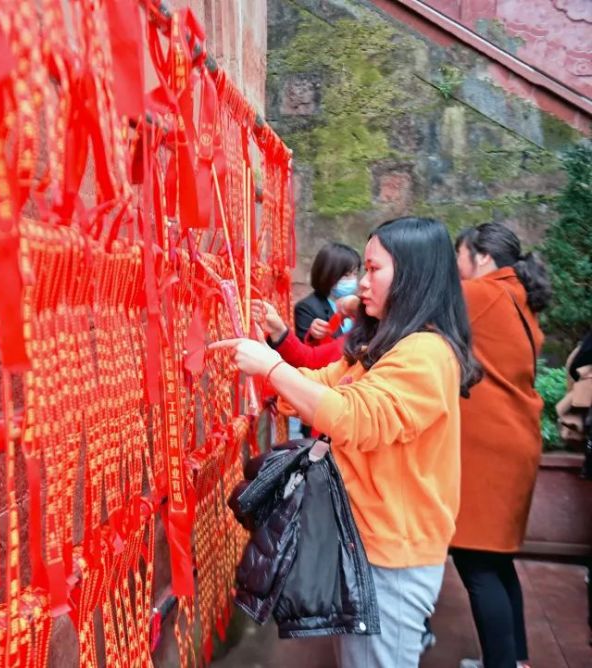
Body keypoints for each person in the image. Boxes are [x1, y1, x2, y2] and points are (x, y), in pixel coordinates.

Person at [212, 217, 481, 667]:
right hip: (367, 543)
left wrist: (271, 370)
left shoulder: (425, 353)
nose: (361, 283)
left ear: (412, 275)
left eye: (373, 270)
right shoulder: (389, 345)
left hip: (392, 554)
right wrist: (275, 381)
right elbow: (325, 380)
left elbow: (354, 416)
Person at [452, 223, 553, 668]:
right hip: (515, 442)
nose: (455, 271)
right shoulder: (517, 298)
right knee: (496, 559)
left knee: (476, 564)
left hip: (487, 449)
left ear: (482, 258)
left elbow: (416, 312)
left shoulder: (479, 295)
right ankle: (513, 660)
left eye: (458, 258)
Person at [294, 242, 361, 343]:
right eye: (346, 275)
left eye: (355, 274)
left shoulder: (356, 304)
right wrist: (313, 335)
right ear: (327, 274)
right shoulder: (306, 308)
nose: (352, 280)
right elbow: (305, 350)